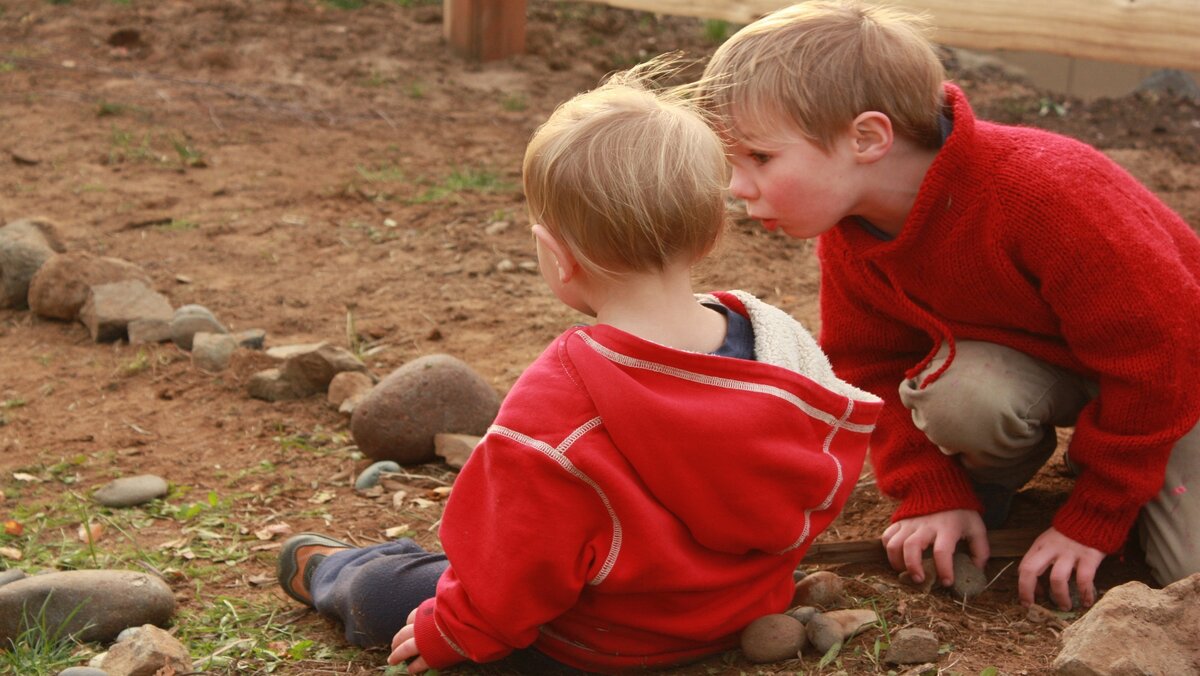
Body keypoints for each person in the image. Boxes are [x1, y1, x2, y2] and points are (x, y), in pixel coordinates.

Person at [275, 61, 883, 674]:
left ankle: (334, 570)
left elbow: (515, 561)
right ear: (708, 237)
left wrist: (455, 632)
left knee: (392, 593)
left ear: (556, 256)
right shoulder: (777, 344)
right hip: (733, 613)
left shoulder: (560, 403)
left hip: (593, 642)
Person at [696, 0, 1200, 612]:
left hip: (1181, 378)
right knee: (962, 396)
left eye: (760, 158)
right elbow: (868, 363)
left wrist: (1094, 516)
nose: (737, 186)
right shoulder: (853, 231)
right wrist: (931, 489)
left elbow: (1163, 356)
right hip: (1075, 366)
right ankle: (980, 494)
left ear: (867, 138)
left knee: (1185, 574)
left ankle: (1124, 474)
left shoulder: (1049, 194)